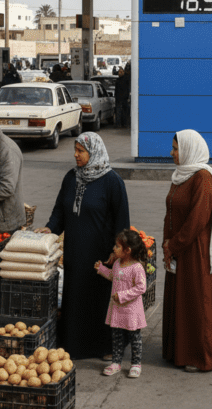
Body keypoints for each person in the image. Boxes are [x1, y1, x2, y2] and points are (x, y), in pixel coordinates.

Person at [37, 132, 131, 359]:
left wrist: (117, 252)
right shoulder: (71, 177)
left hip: (100, 254)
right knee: (75, 296)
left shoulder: (112, 182)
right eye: (75, 150)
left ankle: (105, 347)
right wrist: (50, 228)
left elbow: (122, 222)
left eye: (81, 151)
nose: (76, 155)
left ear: (94, 152)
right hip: (75, 252)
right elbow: (60, 209)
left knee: (99, 300)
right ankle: (74, 344)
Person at [162, 130, 212, 372]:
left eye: (176, 148)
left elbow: (197, 220)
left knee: (198, 303)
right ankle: (180, 351)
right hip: (181, 248)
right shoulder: (181, 175)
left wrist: (174, 244)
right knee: (183, 301)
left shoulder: (203, 178)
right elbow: (171, 210)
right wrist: (166, 241)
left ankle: (200, 355)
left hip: (197, 252)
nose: (172, 153)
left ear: (190, 149)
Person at [95, 229, 148, 377]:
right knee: (116, 337)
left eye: (117, 246)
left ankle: (136, 364)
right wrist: (102, 269)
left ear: (127, 250)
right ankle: (116, 362)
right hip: (117, 310)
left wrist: (123, 295)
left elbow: (141, 287)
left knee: (134, 338)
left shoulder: (137, 268)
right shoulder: (117, 263)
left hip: (131, 311)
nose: (113, 248)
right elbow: (114, 276)